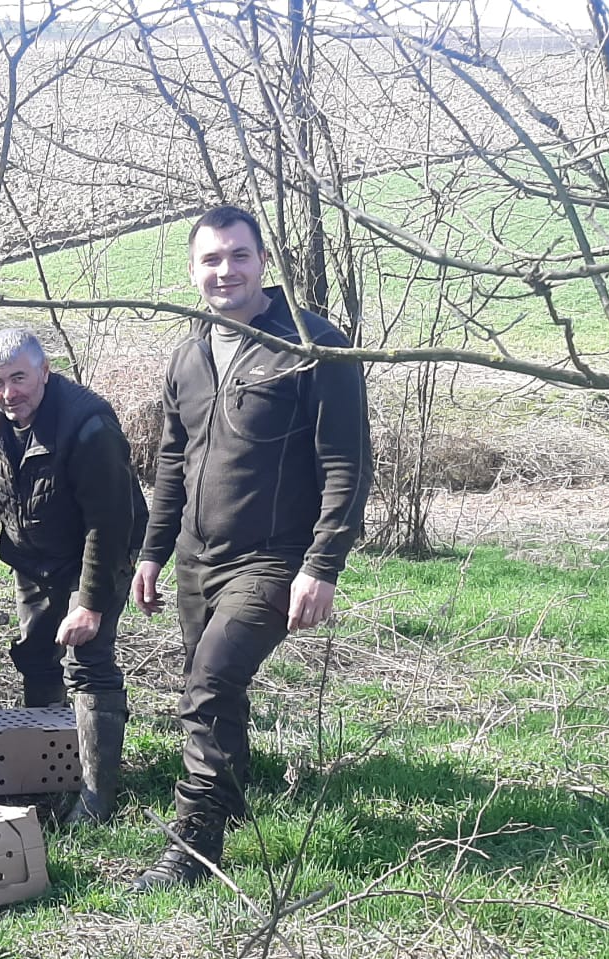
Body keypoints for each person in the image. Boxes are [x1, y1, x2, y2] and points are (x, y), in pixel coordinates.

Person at [129, 204, 372, 889]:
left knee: (210, 683)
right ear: (192, 271)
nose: (225, 270)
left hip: (273, 557)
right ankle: (229, 800)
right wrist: (152, 552)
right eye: (211, 259)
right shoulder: (189, 355)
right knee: (211, 683)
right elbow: (172, 463)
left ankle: (194, 846)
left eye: (238, 255)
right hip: (196, 557)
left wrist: (321, 565)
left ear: (263, 261)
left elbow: (348, 464)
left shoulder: (313, 346)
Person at [0, 327, 147, 824]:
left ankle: (97, 795)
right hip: (32, 555)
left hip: (100, 550)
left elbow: (108, 523)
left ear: (44, 372)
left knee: (87, 657)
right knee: (37, 655)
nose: (8, 393)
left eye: (19, 378)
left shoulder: (89, 426)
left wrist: (89, 604)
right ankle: (52, 770)